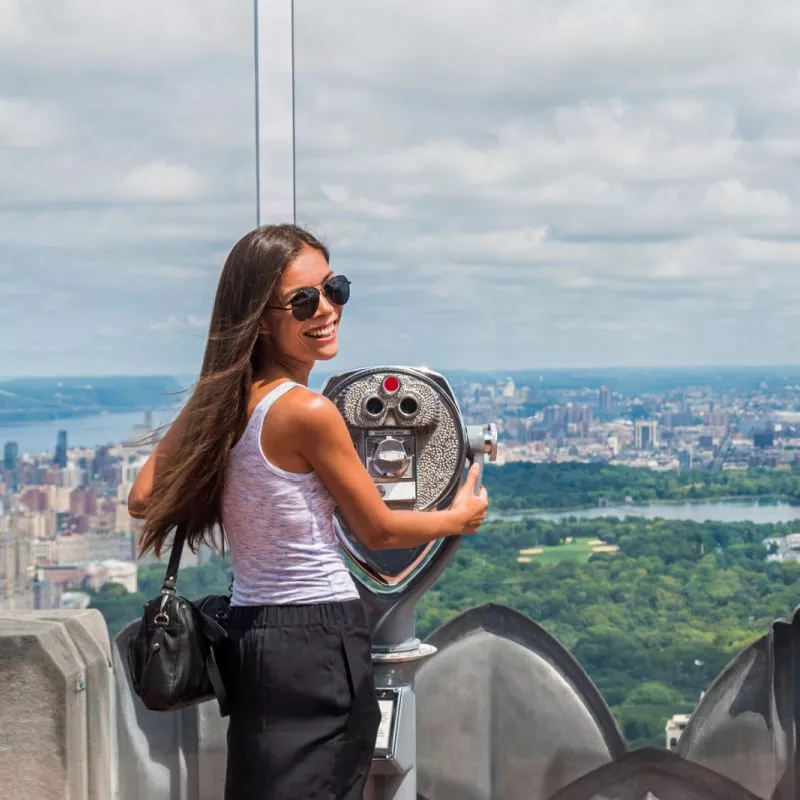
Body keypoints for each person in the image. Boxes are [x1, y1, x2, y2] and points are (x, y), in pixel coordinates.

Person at [128, 223, 489, 799]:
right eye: (303, 300)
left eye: (334, 288)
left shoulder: (222, 404)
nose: (327, 309)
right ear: (260, 317)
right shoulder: (308, 412)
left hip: (248, 634)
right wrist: (459, 518)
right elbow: (381, 527)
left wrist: (207, 410)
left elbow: (144, 498)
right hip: (317, 637)